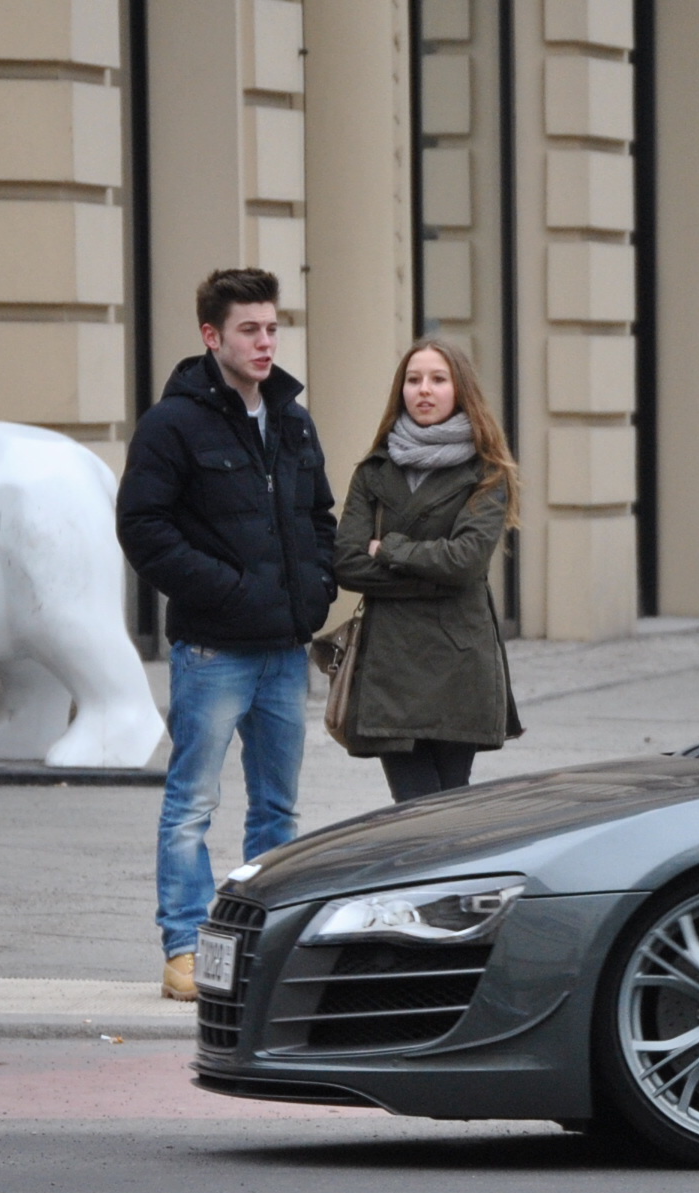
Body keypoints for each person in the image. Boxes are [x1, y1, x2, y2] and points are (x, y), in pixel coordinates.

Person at [117, 269, 336, 1002]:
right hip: (213, 651)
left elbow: (319, 517)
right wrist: (229, 591)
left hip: (284, 651)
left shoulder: (293, 419)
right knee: (192, 806)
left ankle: (264, 945)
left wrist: (316, 589)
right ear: (212, 336)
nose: (266, 342)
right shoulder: (172, 424)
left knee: (278, 808)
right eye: (250, 329)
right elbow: (142, 528)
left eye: (272, 328)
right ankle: (184, 948)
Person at [330, 338, 523, 799]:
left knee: (449, 806)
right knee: (412, 806)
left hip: (458, 660)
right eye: (413, 380)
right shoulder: (374, 470)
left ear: (461, 390)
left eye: (438, 379)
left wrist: (389, 548)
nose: (424, 390)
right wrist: (434, 577)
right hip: (391, 666)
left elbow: (465, 561)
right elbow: (348, 562)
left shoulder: (488, 472)